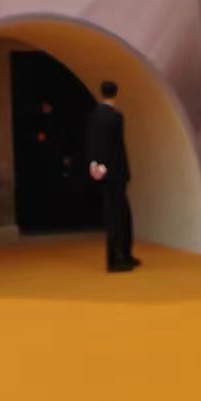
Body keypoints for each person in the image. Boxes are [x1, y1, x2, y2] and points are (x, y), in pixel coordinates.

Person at [86, 80, 138, 272]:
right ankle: (117, 258)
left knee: (115, 214)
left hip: (103, 171)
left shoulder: (94, 115)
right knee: (119, 215)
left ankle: (121, 255)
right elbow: (116, 148)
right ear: (116, 93)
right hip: (116, 172)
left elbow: (93, 142)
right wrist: (110, 167)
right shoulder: (116, 117)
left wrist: (95, 164)